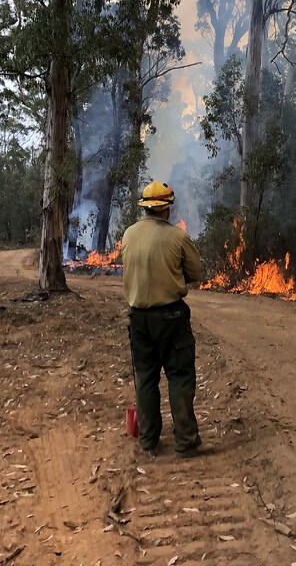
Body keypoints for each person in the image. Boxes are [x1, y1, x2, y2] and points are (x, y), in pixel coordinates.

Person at [121, 181, 203, 458]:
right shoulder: (177, 238)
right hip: (171, 318)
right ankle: (185, 441)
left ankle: (148, 441)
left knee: (145, 379)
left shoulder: (129, 235)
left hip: (139, 320)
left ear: (146, 208)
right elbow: (195, 272)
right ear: (167, 209)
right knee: (179, 376)